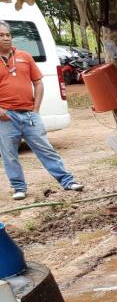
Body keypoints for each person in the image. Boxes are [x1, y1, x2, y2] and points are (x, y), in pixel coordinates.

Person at [0, 21, 83, 201]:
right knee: (9, 155)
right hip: (5, 117)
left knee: (46, 150)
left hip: (30, 114)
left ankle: (68, 181)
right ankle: (19, 188)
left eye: (8, 34)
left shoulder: (24, 56)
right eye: (1, 35)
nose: (6, 38)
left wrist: (36, 109)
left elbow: (38, 83)